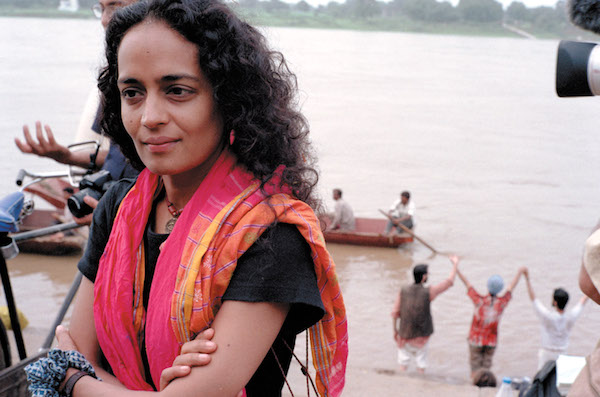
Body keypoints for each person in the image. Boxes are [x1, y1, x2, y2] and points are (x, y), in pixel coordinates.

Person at [25, 1, 348, 397]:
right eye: (132, 92)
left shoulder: (269, 234)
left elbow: (72, 362)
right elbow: (79, 351)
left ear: (228, 98)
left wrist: (74, 381)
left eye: (177, 90)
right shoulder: (119, 208)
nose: (149, 117)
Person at [15, 0, 139, 224]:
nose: (104, 19)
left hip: (130, 219)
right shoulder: (112, 79)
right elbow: (119, 155)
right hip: (111, 213)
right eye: (101, 9)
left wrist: (119, 215)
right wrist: (66, 157)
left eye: (115, 7)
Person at [391, 255, 459, 373]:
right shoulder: (429, 292)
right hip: (422, 335)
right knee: (421, 363)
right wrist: (455, 264)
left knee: (403, 363)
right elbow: (449, 282)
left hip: (404, 333)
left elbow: (395, 313)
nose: (427, 276)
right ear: (423, 277)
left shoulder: (403, 290)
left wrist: (395, 331)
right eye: (427, 274)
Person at [456, 266, 526, 378]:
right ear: (500, 289)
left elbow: (467, 284)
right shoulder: (502, 303)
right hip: (491, 342)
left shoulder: (479, 301)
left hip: (475, 340)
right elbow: (511, 287)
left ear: (487, 286)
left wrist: (456, 267)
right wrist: (520, 273)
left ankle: (474, 387)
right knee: (486, 369)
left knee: (474, 368)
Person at [523, 268, 587, 370]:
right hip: (562, 353)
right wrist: (592, 284)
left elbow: (534, 299)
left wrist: (527, 279)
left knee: (541, 380)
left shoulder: (547, 317)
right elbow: (582, 302)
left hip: (547, 354)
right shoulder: (571, 317)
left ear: (555, 302)